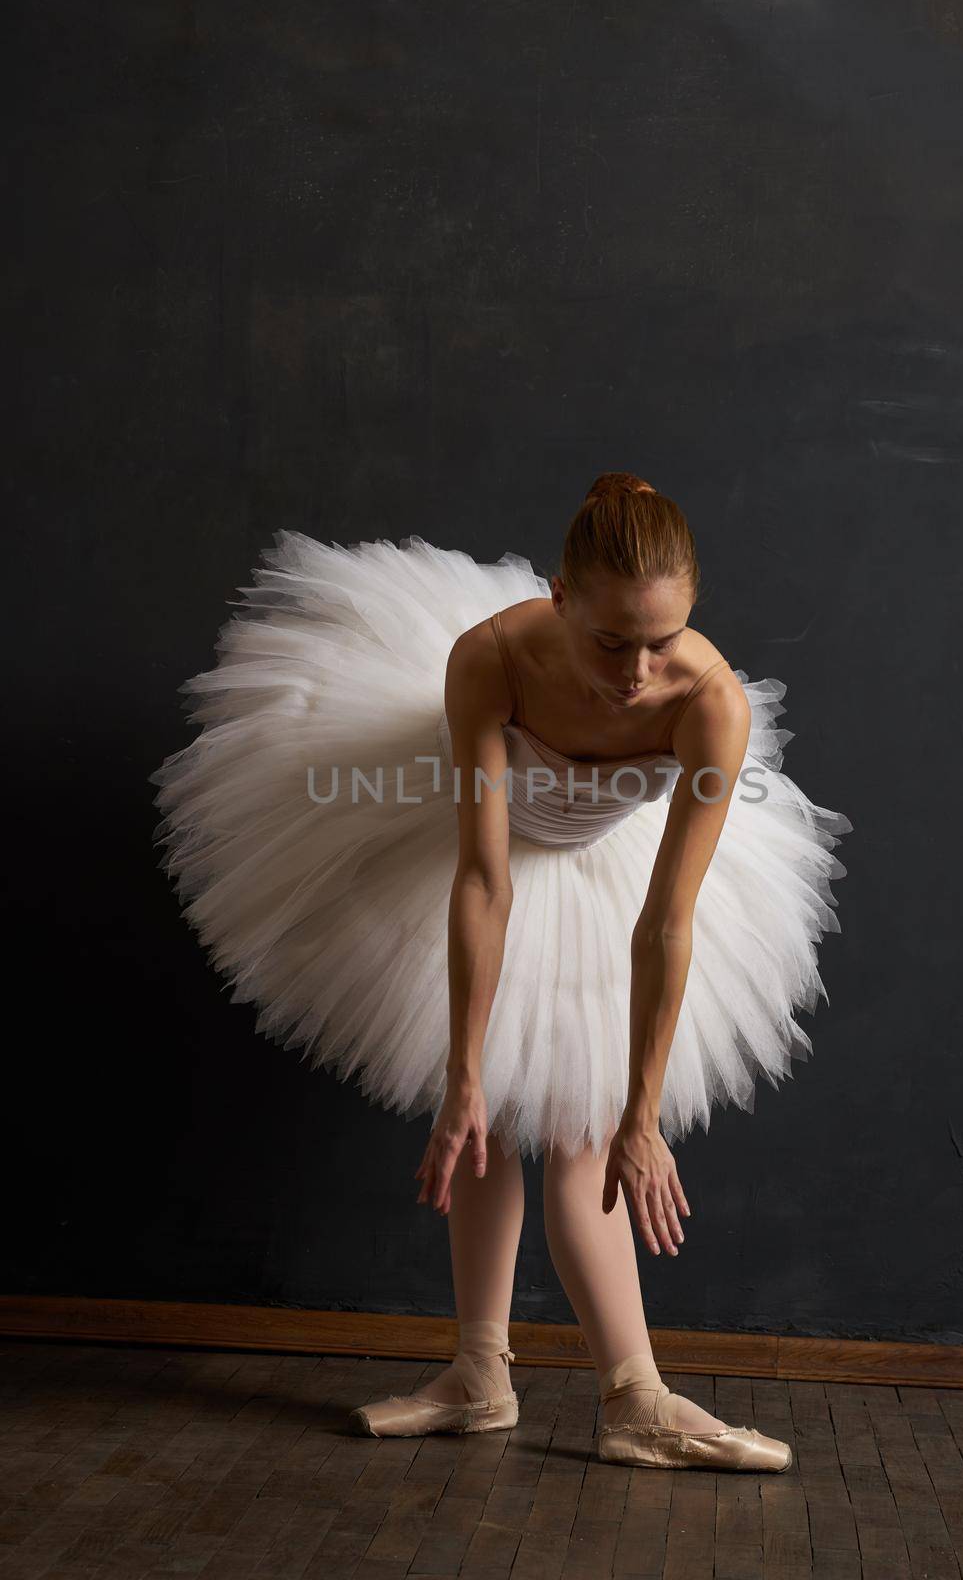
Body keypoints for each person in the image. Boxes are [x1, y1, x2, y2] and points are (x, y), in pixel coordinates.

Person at [149, 471, 851, 1473]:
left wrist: (641, 1114)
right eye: (610, 642)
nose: (635, 673)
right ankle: (478, 1375)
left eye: (661, 642)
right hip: (468, 853)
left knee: (577, 1129)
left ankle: (634, 1395)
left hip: (604, 879)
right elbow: (482, 880)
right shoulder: (489, 657)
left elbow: (664, 921)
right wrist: (463, 1073)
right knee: (483, 1112)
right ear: (561, 602)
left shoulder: (709, 705)